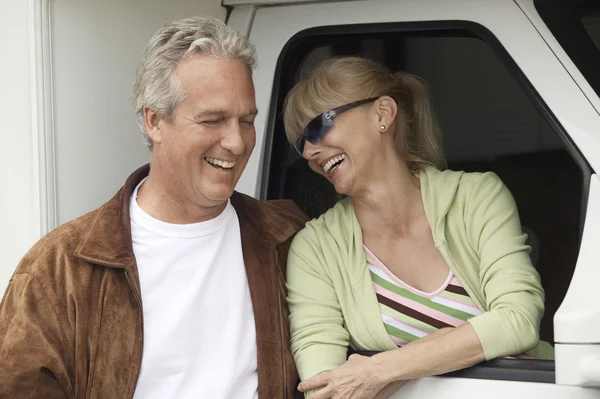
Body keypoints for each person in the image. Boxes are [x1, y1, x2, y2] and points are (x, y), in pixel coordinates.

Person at [0, 17, 307, 398]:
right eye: (213, 120)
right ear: (154, 120)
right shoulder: (58, 269)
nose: (237, 142)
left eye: (246, 121)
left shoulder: (291, 239)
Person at [283, 56, 554, 399]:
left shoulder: (476, 197)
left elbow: (518, 321)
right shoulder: (315, 248)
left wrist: (380, 369)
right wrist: (465, 344)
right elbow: (325, 388)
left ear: (382, 114)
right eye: (300, 143)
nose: (309, 151)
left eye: (318, 127)